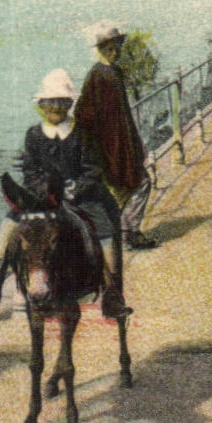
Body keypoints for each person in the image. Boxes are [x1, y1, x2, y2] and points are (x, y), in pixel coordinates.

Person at [18, 68, 130, 320]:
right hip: (46, 200)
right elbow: (29, 172)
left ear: (69, 104)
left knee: (105, 231)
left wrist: (75, 188)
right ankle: (1, 278)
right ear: (42, 105)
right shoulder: (33, 135)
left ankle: (112, 292)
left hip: (84, 197)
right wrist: (44, 189)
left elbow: (94, 168)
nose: (55, 107)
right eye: (50, 102)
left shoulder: (83, 133)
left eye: (61, 102)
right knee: (16, 225)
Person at [74, 21, 158, 252]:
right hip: (111, 148)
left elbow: (119, 116)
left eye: (116, 46)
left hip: (118, 144)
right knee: (140, 184)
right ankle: (128, 233)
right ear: (103, 49)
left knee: (133, 186)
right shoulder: (103, 75)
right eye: (110, 47)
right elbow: (85, 115)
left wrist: (136, 146)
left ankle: (124, 232)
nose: (115, 51)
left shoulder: (107, 73)